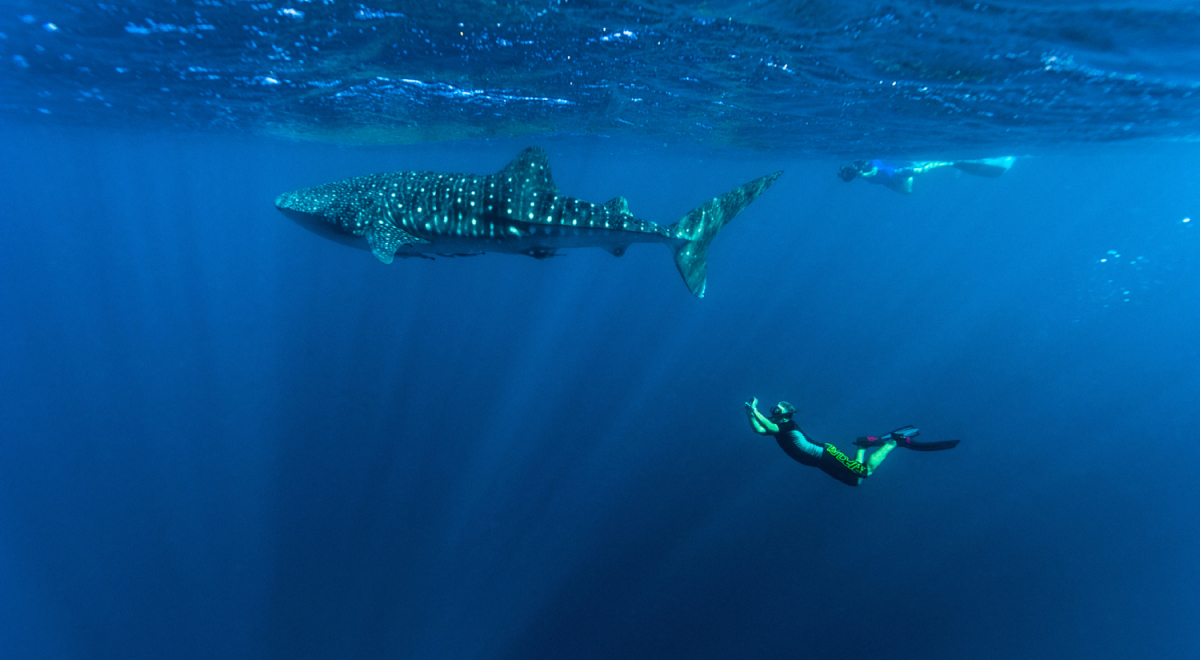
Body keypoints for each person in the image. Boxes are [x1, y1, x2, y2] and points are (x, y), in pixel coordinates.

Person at [744, 398, 959, 486]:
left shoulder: (787, 426)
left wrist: (755, 410)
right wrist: (749, 413)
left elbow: (769, 426)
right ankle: (864, 448)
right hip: (820, 462)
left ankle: (893, 443)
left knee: (864, 473)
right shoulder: (779, 429)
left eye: (777, 410)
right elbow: (759, 430)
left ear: (787, 414)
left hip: (824, 454)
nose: (773, 412)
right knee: (856, 481)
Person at [838, 156, 1015, 194]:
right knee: (907, 192)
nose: (853, 173)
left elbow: (874, 170)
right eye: (851, 175)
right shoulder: (861, 174)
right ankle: (916, 166)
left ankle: (948, 162)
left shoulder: (864, 168)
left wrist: (863, 171)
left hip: (897, 173)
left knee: (923, 170)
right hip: (891, 179)